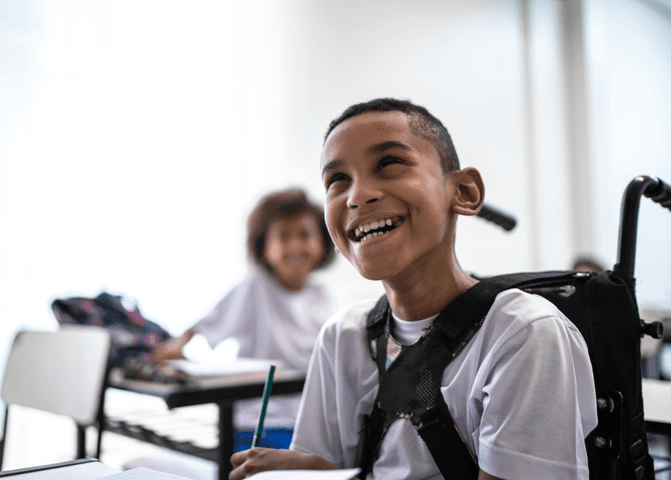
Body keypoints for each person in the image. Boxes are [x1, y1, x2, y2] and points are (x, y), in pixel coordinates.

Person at [228, 98, 598, 480]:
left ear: (464, 192)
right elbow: (331, 467)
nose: (357, 196)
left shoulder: (522, 333)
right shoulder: (343, 337)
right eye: (338, 180)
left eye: (389, 164)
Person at [152, 188, 336, 451]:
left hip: (308, 422)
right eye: (283, 235)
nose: (295, 245)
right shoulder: (256, 286)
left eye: (305, 234)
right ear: (264, 246)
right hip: (259, 425)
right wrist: (177, 345)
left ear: (323, 243)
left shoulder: (322, 296)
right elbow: (207, 324)